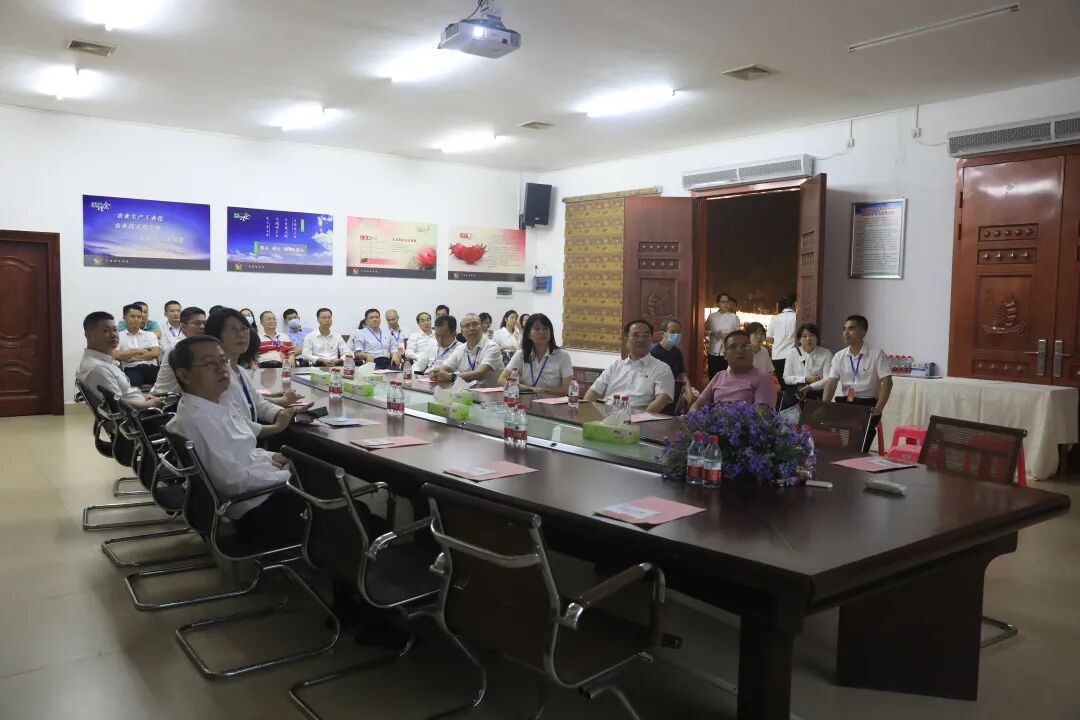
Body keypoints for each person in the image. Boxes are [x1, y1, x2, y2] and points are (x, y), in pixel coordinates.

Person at [166, 336, 305, 541]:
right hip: (256, 506)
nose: (222, 369)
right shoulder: (200, 421)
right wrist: (286, 475)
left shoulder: (213, 402)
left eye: (223, 361)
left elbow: (241, 449)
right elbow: (233, 482)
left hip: (258, 490)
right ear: (184, 375)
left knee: (313, 471)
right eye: (210, 363)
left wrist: (272, 457)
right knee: (328, 488)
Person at [205, 308, 309, 433]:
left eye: (244, 328)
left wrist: (284, 412)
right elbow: (234, 425)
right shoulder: (215, 376)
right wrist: (277, 427)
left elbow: (259, 405)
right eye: (232, 329)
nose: (241, 334)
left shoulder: (240, 371)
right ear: (215, 335)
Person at [821, 315, 893, 453]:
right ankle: (834, 456)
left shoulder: (876, 353)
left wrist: (878, 409)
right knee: (823, 423)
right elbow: (831, 383)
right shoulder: (839, 356)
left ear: (863, 332)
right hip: (846, 402)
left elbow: (888, 382)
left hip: (867, 404)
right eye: (844, 329)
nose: (846, 332)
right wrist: (824, 406)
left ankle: (858, 456)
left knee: (859, 439)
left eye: (851, 329)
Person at [76, 311, 163, 410]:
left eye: (115, 329)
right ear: (89, 335)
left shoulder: (104, 361)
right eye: (106, 330)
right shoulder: (97, 368)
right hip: (140, 415)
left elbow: (123, 394)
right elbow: (117, 401)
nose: (113, 334)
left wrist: (144, 397)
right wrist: (149, 404)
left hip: (140, 405)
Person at [584, 320, 675, 413]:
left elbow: (661, 400)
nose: (641, 339)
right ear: (626, 340)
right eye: (636, 335)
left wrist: (640, 418)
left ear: (651, 340)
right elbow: (593, 392)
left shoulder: (662, 369)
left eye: (646, 335)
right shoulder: (616, 366)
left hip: (637, 418)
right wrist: (586, 412)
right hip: (607, 415)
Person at [690, 330, 777, 410]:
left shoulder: (763, 378)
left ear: (752, 352)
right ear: (725, 355)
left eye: (745, 346)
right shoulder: (719, 376)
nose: (740, 350)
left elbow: (762, 416)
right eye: (733, 347)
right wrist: (694, 416)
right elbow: (697, 405)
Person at [498, 313, 573, 394]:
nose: (542, 332)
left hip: (552, 400)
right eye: (537, 329)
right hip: (526, 400)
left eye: (545, 328)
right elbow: (502, 380)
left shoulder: (562, 355)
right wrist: (527, 388)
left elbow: (567, 389)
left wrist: (543, 391)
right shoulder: (521, 354)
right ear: (528, 334)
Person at [430, 313, 504, 387]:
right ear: (462, 332)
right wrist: (435, 372)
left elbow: (480, 373)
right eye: (467, 326)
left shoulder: (491, 347)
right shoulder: (460, 349)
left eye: (475, 324)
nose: (471, 328)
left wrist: (451, 377)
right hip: (466, 392)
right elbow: (445, 367)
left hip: (491, 393)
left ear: (481, 327)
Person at [152, 306, 206, 395]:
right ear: (183, 326)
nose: (202, 327)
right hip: (166, 397)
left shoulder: (197, 344)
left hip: (183, 395)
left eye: (204, 323)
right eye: (197, 323)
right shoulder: (178, 347)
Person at [650, 318, 698, 407]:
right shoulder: (653, 352)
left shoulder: (677, 352)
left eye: (678, 332)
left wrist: (689, 391)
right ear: (663, 333)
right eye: (672, 332)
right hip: (657, 392)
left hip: (675, 389)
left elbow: (682, 374)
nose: (676, 335)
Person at [113, 303, 161, 387]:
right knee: (132, 385)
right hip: (131, 369)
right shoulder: (118, 336)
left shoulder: (150, 335)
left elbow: (155, 353)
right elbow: (116, 355)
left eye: (139, 317)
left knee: (169, 381)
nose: (136, 319)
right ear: (124, 318)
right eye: (132, 316)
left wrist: (134, 358)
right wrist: (140, 351)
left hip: (151, 368)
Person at [788, 323, 833, 404]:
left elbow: (828, 379)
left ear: (817, 338)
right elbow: (787, 378)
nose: (808, 339)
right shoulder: (793, 353)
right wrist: (806, 379)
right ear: (799, 339)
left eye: (812, 335)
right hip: (797, 393)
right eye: (804, 336)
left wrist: (810, 387)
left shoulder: (826, 353)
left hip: (817, 393)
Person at [705, 293, 740, 377]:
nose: (726, 304)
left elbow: (739, 335)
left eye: (727, 302)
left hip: (729, 351)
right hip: (714, 351)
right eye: (723, 302)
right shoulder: (712, 316)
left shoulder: (734, 317)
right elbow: (703, 331)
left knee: (727, 377)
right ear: (718, 303)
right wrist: (712, 333)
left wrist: (728, 336)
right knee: (714, 376)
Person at [766, 294, 797, 378]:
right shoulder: (797, 317)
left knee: (780, 382)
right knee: (792, 381)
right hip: (792, 356)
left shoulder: (775, 318)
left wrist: (778, 341)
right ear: (795, 304)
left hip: (777, 356)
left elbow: (768, 338)